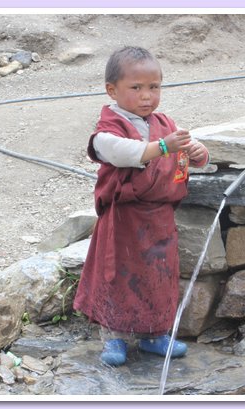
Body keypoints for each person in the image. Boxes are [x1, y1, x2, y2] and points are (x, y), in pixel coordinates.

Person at [73, 46, 210, 366]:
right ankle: (114, 338)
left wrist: (197, 151)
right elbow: (122, 153)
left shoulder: (165, 122)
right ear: (112, 90)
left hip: (159, 219)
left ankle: (154, 335)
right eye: (136, 88)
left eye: (154, 87)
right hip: (124, 221)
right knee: (118, 277)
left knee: (158, 279)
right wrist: (163, 146)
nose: (147, 96)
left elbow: (184, 156)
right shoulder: (108, 129)